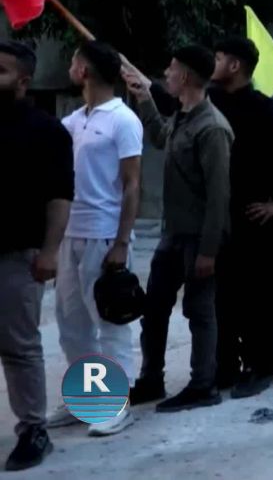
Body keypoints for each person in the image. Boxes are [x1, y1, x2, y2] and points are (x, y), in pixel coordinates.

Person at [121, 46, 233, 412]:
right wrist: (143, 99)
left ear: (185, 77)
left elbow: (219, 196)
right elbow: (158, 137)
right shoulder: (184, 117)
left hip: (198, 237)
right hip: (173, 234)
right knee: (154, 308)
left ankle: (204, 385)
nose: (165, 76)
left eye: (170, 71)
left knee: (200, 313)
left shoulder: (212, 127)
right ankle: (151, 379)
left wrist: (208, 251)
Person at [47, 41, 142, 437]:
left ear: (85, 71)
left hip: (105, 236)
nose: (70, 66)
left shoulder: (123, 120)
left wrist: (121, 242)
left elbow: (133, 183)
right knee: (71, 324)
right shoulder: (73, 121)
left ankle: (115, 405)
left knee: (111, 322)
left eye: (74, 61)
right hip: (71, 233)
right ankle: (84, 399)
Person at [209, 37, 273, 398]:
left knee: (263, 300)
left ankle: (265, 365)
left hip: (264, 227)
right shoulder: (211, 102)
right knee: (226, 298)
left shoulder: (265, 110)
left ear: (235, 65)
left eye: (218, 57)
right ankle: (227, 367)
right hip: (226, 221)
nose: (212, 63)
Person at [0, 41, 73, 471]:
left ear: (23, 81)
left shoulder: (46, 131)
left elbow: (60, 196)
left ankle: (32, 429)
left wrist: (49, 251)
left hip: (18, 255)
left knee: (19, 347)